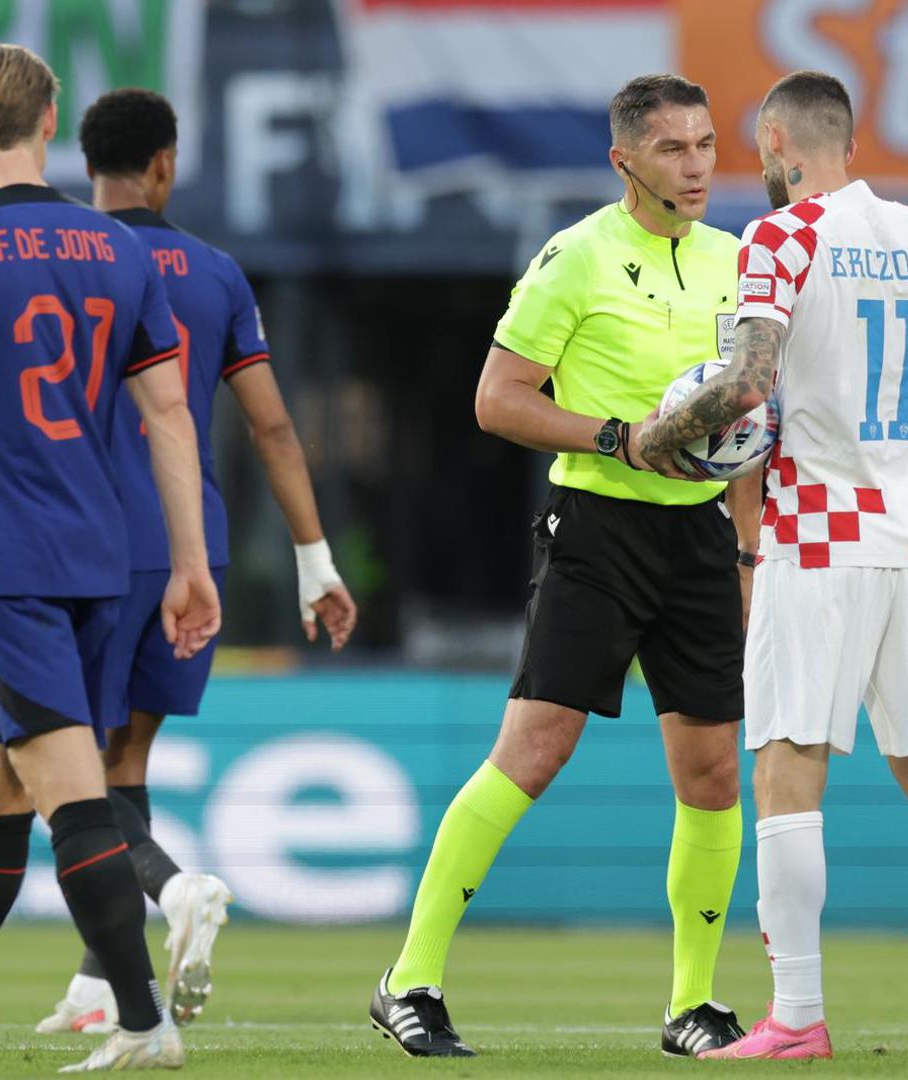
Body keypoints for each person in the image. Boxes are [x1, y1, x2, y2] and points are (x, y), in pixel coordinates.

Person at [638, 70, 908, 1061]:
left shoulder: (781, 239)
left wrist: (664, 433)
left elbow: (744, 382)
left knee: (787, 770)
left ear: (779, 141)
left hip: (815, 535)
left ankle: (797, 1016)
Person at [367, 74, 756, 1059]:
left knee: (712, 774)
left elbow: (751, 424)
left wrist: (747, 554)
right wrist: (618, 437)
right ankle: (409, 978)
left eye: (707, 143)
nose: (699, 163)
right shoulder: (574, 258)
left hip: (703, 539)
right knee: (535, 751)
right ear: (625, 160)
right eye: (674, 148)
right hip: (597, 528)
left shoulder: (739, 260)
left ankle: (695, 1007)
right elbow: (498, 400)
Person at [29, 87, 359, 1038]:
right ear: (166, 165)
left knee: (68, 775)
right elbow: (273, 426)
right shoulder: (215, 273)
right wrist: (314, 560)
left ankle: (175, 891)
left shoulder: (67, 262)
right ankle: (99, 990)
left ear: (82, 163)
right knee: (124, 761)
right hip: (190, 548)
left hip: (88, 543)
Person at [0, 41, 219, 1071]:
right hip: (103, 560)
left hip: (4, 564)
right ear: (50, 117)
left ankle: (146, 1026)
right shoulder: (121, 252)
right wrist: (190, 564)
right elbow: (170, 419)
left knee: (74, 802)